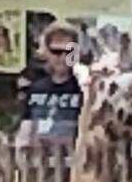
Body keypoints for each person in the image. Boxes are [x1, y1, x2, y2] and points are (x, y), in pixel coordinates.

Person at [13, 20, 84, 148]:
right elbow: (26, 127)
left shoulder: (84, 88)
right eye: (56, 51)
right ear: (47, 52)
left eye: (68, 51)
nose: (62, 57)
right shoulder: (36, 88)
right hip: (39, 159)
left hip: (73, 158)